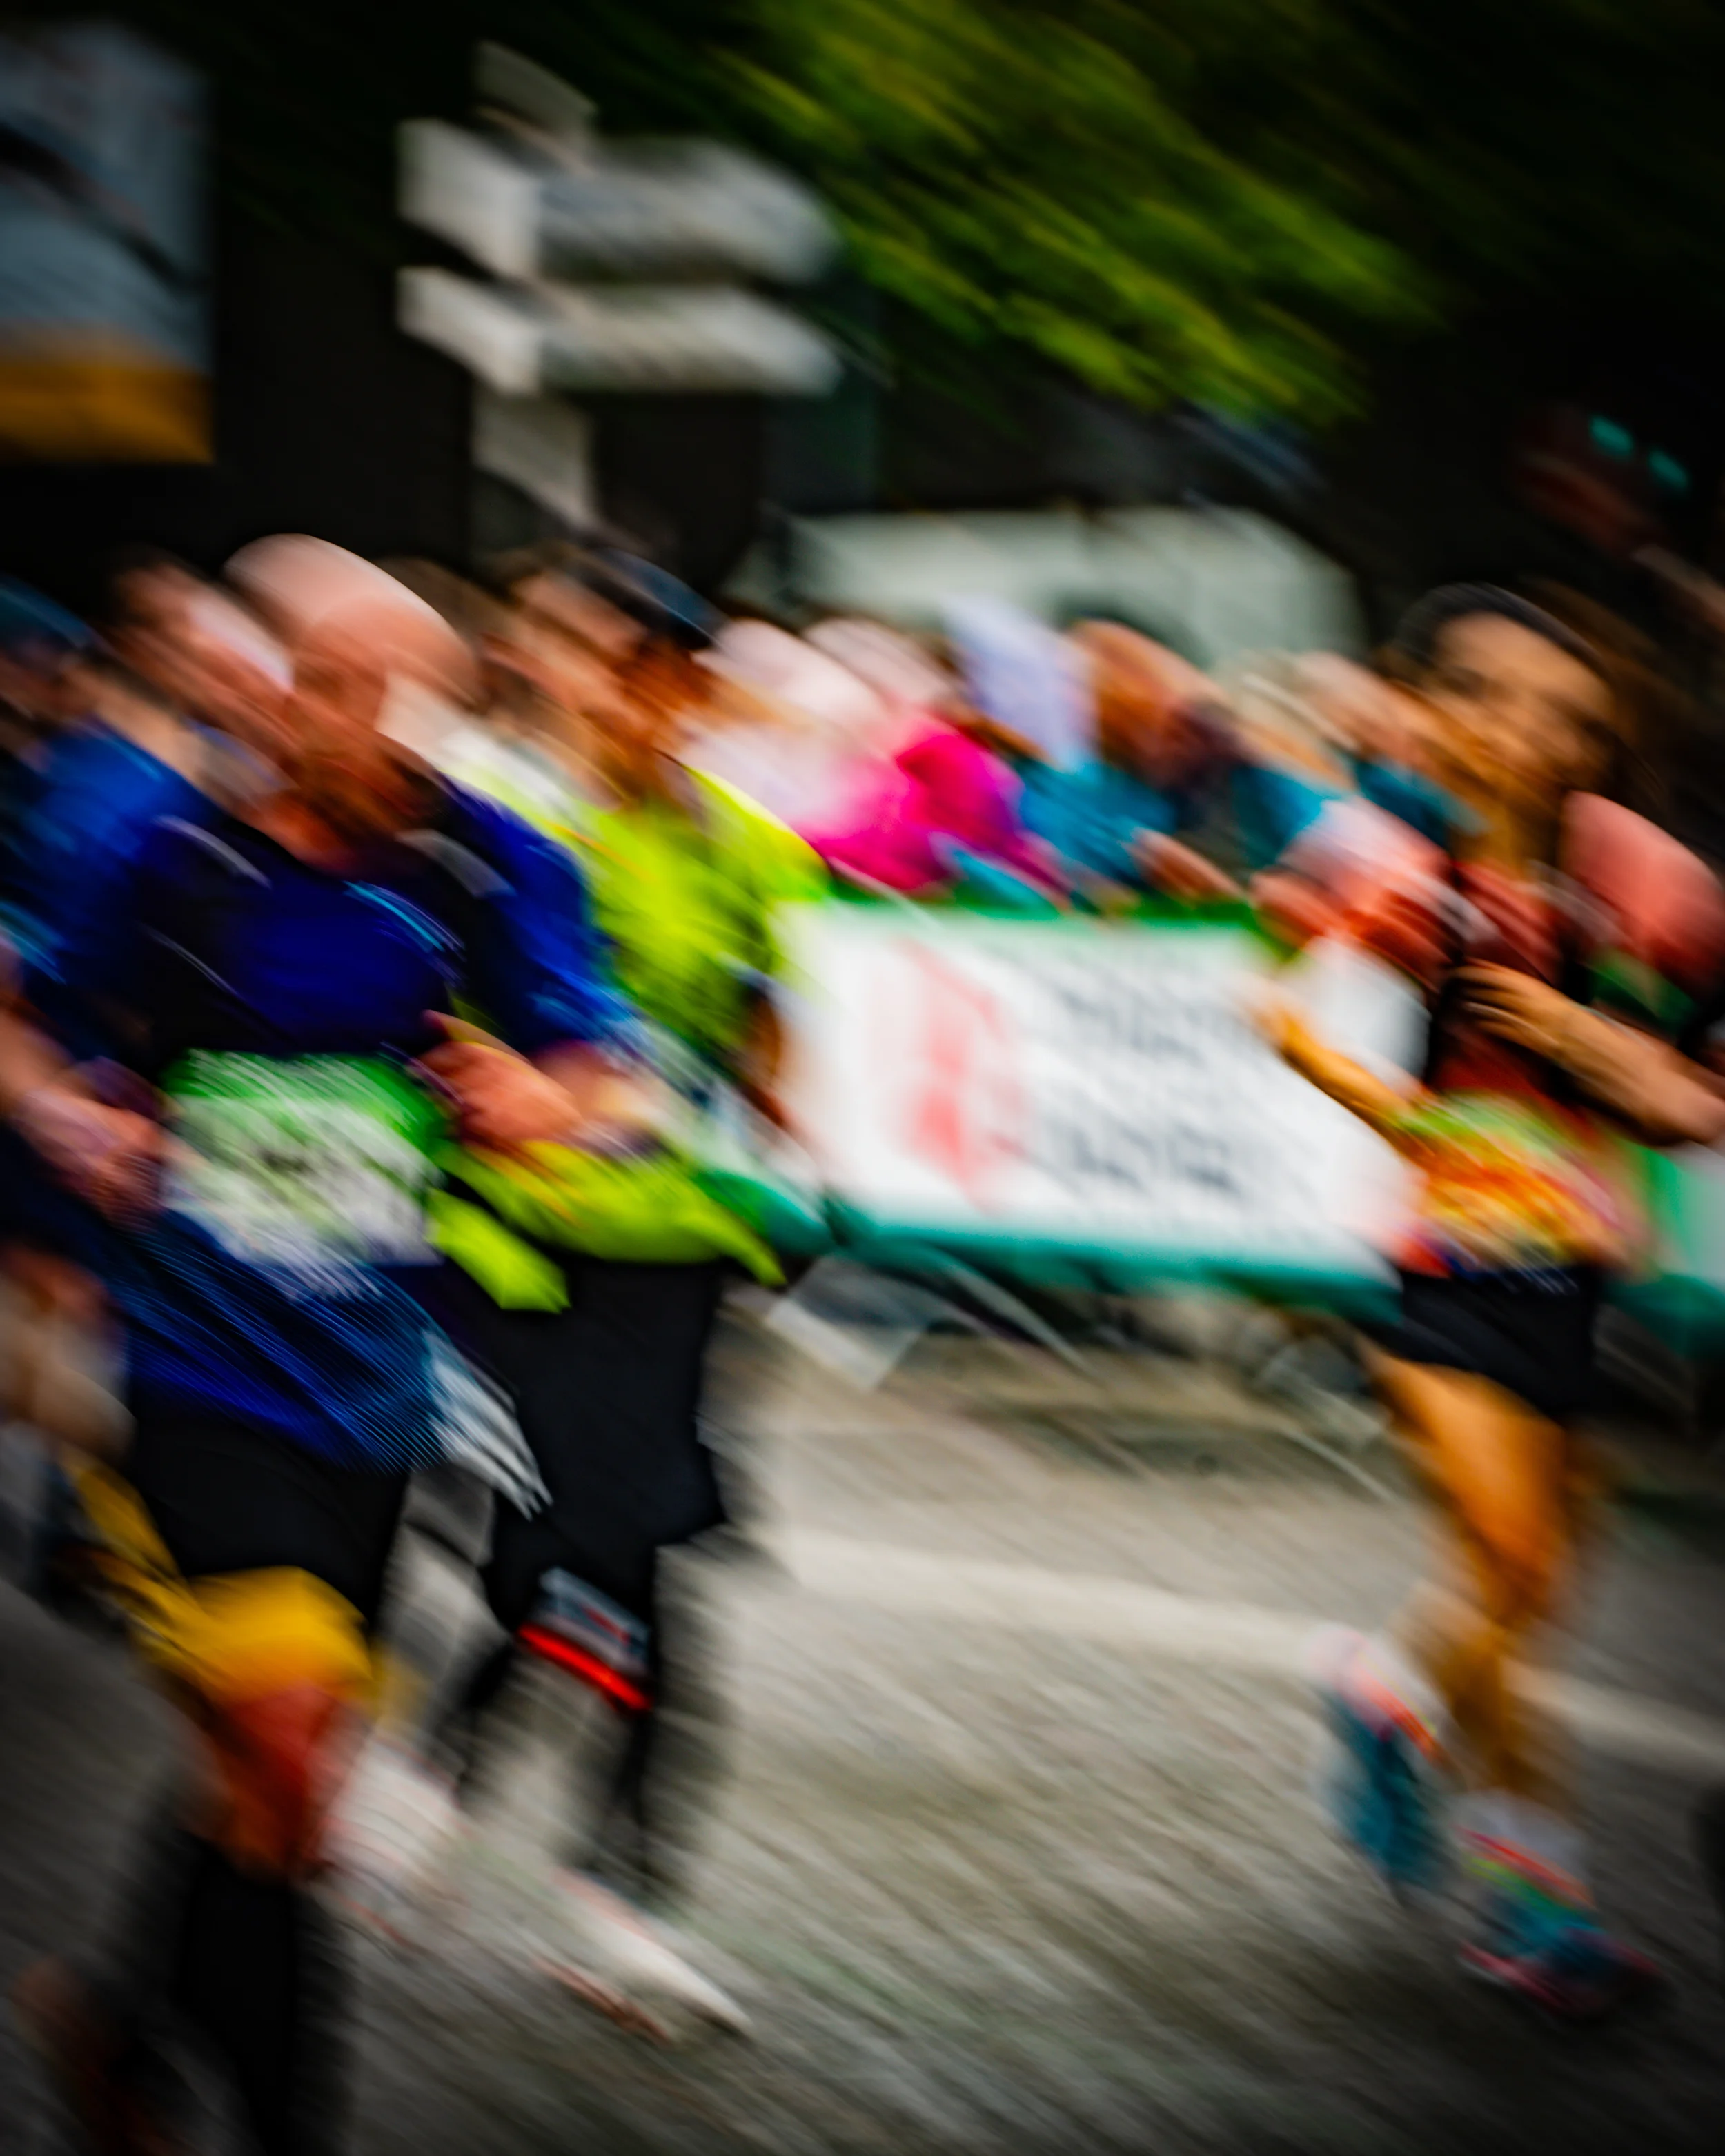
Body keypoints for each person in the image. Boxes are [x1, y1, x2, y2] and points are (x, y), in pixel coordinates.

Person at [6, 551, 637, 2153]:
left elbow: (609, 1068)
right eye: (351, 686)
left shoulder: (486, 871)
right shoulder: (177, 862)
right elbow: (26, 1024)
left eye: (420, 695)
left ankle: (122, 2022)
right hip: (186, 1371)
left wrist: (546, 1103)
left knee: (263, 1797)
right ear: (280, 690)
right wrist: (63, 1107)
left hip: (367, 1384)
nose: (389, 728)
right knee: (287, 1751)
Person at [1259, 583, 1725, 2019]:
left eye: (1562, 716)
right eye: (1501, 702)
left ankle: (1536, 1902)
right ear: (1447, 714)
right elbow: (1275, 996)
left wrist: (1616, 1055)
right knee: (1508, 1564)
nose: (1530, 734)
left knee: (1525, 1602)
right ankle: (1382, 1684)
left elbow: (1682, 1067)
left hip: (1574, 1267)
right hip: (1438, 1265)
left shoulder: (1623, 883)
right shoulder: (1413, 873)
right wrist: (1383, 1105)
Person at [403, 554, 819, 2033]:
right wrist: (517, 1095)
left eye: (625, 662)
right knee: (559, 1567)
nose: (589, 687)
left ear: (686, 686)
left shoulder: (757, 856)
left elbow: (785, 1055)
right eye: (565, 655)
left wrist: (796, 1161)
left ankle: (613, 1898)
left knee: (633, 1579)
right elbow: (430, 1028)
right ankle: (441, 1780)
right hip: (510, 1264)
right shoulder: (492, 840)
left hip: (680, 1268)